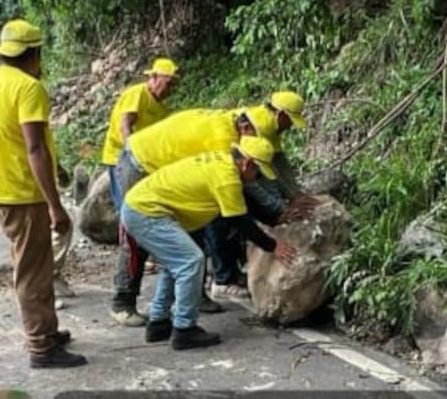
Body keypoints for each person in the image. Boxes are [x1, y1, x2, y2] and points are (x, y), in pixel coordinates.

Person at [0, 19, 86, 369]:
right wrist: (55, 206)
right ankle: (41, 346)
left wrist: (58, 169)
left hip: (1, 187)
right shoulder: (28, 88)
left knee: (32, 263)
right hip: (24, 192)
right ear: (35, 52)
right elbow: (34, 148)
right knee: (34, 270)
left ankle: (47, 330)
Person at [120, 135, 296, 350]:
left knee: (175, 264)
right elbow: (239, 220)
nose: (256, 178)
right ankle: (185, 330)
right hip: (146, 212)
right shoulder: (227, 178)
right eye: (257, 172)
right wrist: (273, 246)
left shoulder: (224, 163)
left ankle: (159, 323)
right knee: (191, 261)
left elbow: (244, 203)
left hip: (144, 206)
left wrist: (277, 218)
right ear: (247, 163)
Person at [109, 106, 276, 325]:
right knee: (140, 238)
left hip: (167, 174)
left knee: (190, 239)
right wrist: (273, 233)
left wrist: (276, 215)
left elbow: (240, 194)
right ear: (245, 127)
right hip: (141, 163)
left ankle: (178, 306)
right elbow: (238, 204)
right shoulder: (224, 144)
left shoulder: (232, 121)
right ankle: (124, 301)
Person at [208, 90, 319, 299]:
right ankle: (222, 278)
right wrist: (279, 211)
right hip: (215, 172)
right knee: (222, 217)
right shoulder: (249, 130)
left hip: (228, 174)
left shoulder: (268, 126)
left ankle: (226, 271)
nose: (291, 127)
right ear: (281, 115)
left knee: (234, 216)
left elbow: (277, 163)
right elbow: (251, 184)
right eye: (290, 121)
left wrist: (294, 194)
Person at [99, 57, 180, 324]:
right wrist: (133, 152)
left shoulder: (162, 109)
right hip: (123, 162)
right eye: (167, 83)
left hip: (146, 168)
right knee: (133, 227)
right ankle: (122, 302)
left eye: (173, 86)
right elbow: (126, 125)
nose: (169, 90)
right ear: (153, 77)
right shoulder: (137, 94)